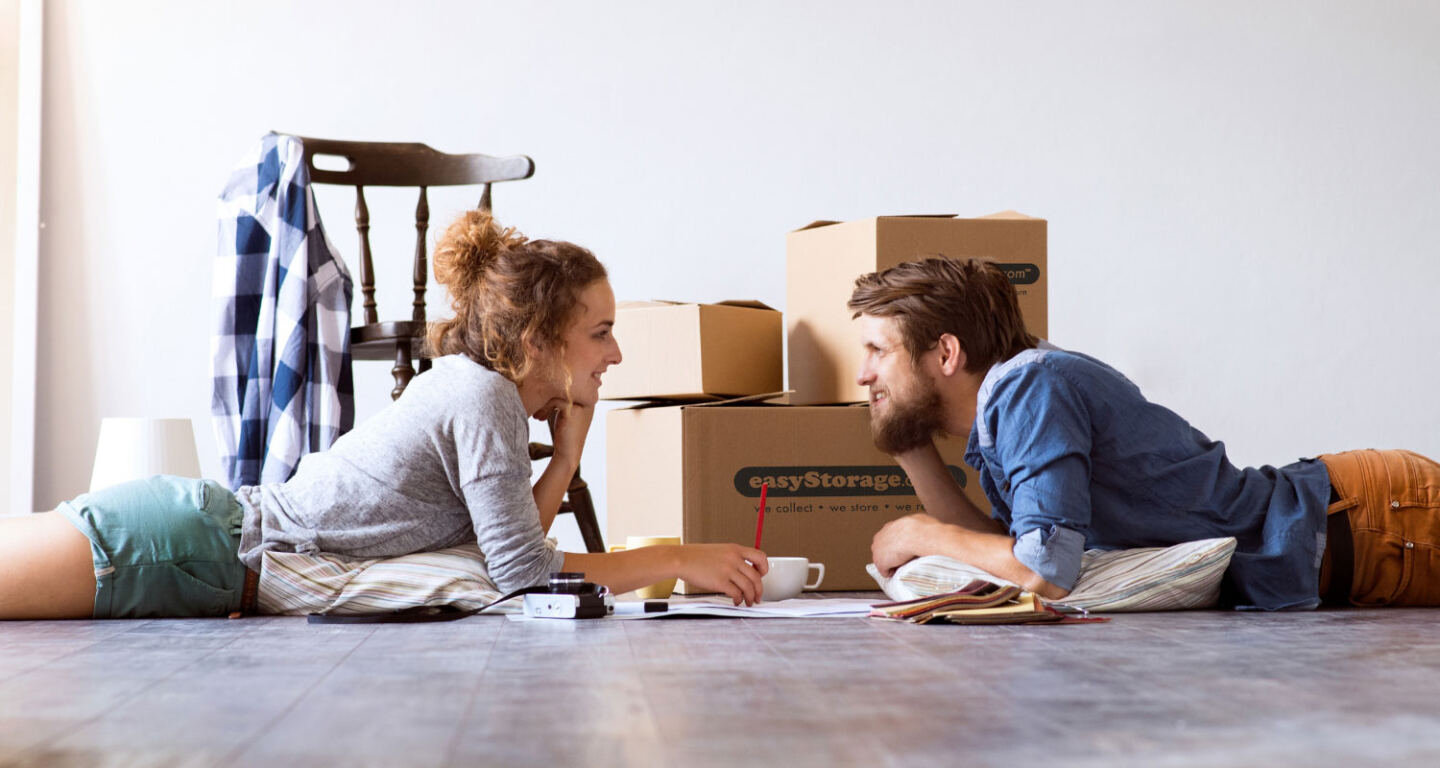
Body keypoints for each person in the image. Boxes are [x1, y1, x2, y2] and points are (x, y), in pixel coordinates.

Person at [0, 211, 769, 620]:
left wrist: (565, 458)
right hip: (189, 546)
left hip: (201, 551)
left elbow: (504, 552)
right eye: (601, 332)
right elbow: (525, 575)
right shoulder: (483, 395)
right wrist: (676, 556)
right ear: (538, 341)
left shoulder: (481, 392)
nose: (617, 354)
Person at [853, 256, 1440, 610]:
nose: (863, 374)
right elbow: (1007, 552)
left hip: (1375, 522)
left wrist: (920, 531)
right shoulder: (1010, 406)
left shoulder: (1029, 388)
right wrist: (910, 451)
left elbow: (1043, 570)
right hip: (1350, 532)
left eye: (878, 351)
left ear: (946, 353)